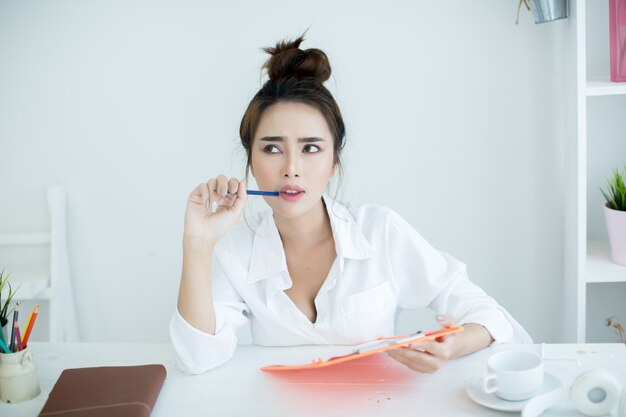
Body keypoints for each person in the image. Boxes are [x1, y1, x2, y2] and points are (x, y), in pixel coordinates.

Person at [170, 32, 532, 375]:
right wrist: (198, 244)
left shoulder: (380, 231)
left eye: (311, 148)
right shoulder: (237, 248)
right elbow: (198, 358)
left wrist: (451, 346)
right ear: (250, 160)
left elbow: (489, 316)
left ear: (334, 161)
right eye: (272, 149)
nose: (291, 169)